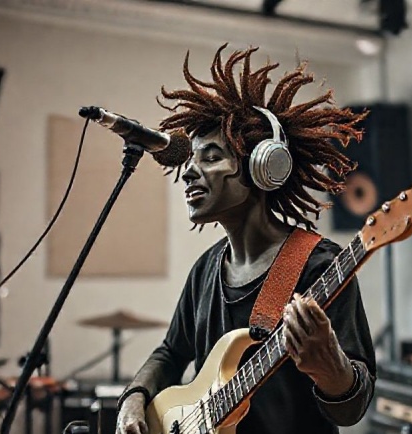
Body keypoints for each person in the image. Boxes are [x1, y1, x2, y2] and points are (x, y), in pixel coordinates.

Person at [116, 43, 376, 434]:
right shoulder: (206, 269)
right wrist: (134, 398)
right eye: (191, 160)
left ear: (262, 168)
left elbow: (351, 411)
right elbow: (171, 353)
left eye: (211, 157)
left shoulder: (321, 266)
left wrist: (332, 371)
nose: (190, 172)